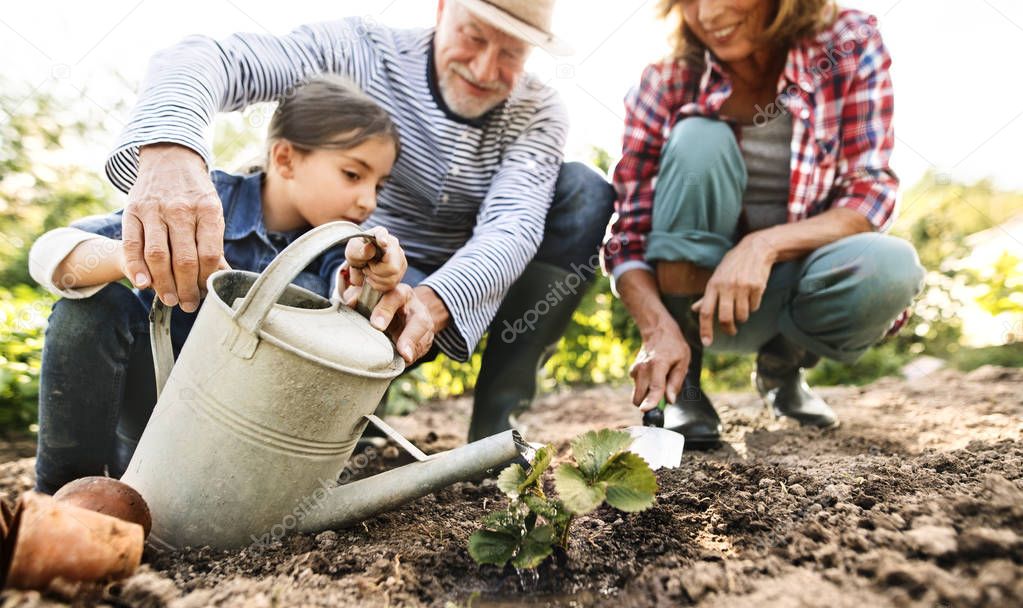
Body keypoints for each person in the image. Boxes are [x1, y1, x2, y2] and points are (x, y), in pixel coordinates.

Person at [103, 0, 617, 442]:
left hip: (454, 289)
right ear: (442, 9)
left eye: (511, 54)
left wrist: (431, 303)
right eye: (473, 36)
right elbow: (208, 57)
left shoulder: (538, 110)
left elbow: (513, 226)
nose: (485, 69)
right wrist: (171, 151)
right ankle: (349, 396)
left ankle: (494, 429)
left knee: (584, 190)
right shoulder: (360, 52)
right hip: (350, 274)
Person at [29, 75, 430, 494]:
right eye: (353, 174)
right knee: (92, 306)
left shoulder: (336, 250)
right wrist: (134, 257)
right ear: (286, 158)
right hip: (150, 434)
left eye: (378, 186)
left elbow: (344, 293)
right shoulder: (200, 200)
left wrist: (368, 282)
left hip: (241, 461)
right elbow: (51, 252)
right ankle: (63, 496)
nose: (368, 200)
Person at [603, 0, 925, 448]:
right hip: (697, 302)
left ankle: (782, 369)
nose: (708, 15)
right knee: (699, 138)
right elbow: (628, 236)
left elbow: (868, 193)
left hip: (790, 293)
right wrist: (657, 330)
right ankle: (685, 385)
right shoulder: (667, 77)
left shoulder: (848, 41)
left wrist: (764, 245)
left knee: (892, 267)